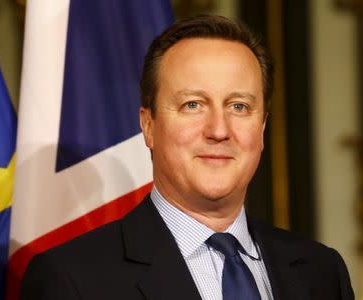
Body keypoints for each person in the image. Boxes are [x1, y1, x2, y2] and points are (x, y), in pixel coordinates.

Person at [20, 15, 354, 300]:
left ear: (262, 127)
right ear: (148, 126)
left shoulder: (321, 273)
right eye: (192, 105)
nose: (219, 130)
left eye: (239, 107)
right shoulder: (72, 280)